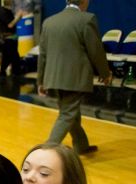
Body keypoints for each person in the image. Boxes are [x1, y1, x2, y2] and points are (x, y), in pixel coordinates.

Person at [37, 0, 111, 155]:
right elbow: (96, 50)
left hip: (53, 78)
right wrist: (105, 73)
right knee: (67, 114)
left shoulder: (49, 22)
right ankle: (46, 152)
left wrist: (41, 80)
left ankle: (81, 145)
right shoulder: (87, 19)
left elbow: (42, 55)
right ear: (85, 1)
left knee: (70, 112)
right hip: (74, 78)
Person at [0, 0, 23, 76]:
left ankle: (10, 72)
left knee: (10, 58)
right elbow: (10, 25)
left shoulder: (9, 11)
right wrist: (18, 18)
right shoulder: (3, 12)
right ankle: (12, 73)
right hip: (8, 39)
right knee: (12, 58)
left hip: (12, 38)